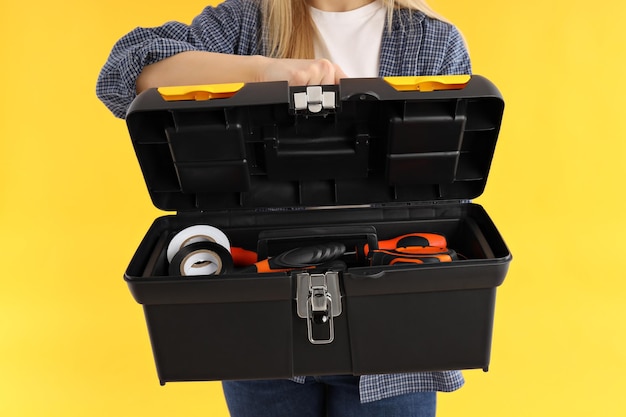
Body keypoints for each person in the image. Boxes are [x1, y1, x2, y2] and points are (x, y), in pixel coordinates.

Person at [96, 0, 470, 415]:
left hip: (398, 338)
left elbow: (442, 198)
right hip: (259, 332)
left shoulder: (433, 42)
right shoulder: (241, 23)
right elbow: (123, 73)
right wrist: (261, 74)